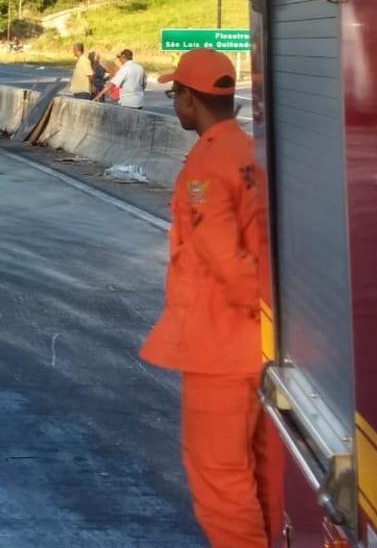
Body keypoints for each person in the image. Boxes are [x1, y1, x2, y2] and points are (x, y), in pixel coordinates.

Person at [141, 49, 281, 548]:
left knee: (218, 477)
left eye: (174, 93)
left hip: (220, 346)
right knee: (262, 472)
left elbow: (222, 256)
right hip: (261, 346)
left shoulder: (204, 169)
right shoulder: (247, 150)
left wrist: (249, 309)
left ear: (190, 100)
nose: (174, 102)